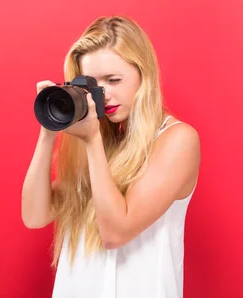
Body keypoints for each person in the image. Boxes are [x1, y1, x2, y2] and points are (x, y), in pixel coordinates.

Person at [21, 15, 200, 298]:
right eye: (93, 84)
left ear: (145, 74)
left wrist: (92, 141)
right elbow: (34, 215)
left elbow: (116, 233)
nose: (103, 94)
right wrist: (48, 132)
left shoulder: (176, 140)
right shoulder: (102, 139)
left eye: (114, 80)